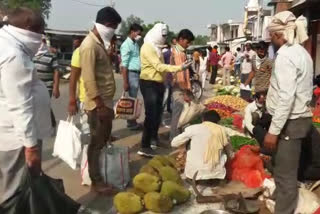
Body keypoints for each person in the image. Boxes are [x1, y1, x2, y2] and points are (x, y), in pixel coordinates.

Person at [0, 8, 51, 203]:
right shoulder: (14, 55)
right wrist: (31, 147)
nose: (41, 37)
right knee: (15, 190)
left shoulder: (7, 43)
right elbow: (20, 105)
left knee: (14, 184)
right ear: (30, 28)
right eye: (40, 31)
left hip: (12, 131)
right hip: (16, 136)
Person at [264, 11, 313, 214]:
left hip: (289, 123)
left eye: (271, 37)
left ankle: (283, 209)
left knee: (286, 176)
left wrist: (274, 131)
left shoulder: (285, 55)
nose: (270, 42)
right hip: (298, 120)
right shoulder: (301, 52)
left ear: (278, 35)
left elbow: (286, 97)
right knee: (284, 167)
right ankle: (281, 200)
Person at [80, 6, 122, 194]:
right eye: (113, 26)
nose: (113, 30)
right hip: (99, 104)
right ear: (106, 24)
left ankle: (102, 175)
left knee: (103, 139)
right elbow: (88, 79)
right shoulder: (89, 46)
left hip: (105, 102)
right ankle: (96, 181)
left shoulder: (98, 44)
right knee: (96, 143)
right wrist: (100, 105)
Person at [138, 23, 191, 157]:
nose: (164, 38)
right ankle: (144, 145)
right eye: (163, 36)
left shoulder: (157, 47)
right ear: (156, 34)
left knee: (157, 114)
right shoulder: (148, 47)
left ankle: (154, 139)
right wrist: (179, 68)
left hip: (158, 83)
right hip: (148, 83)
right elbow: (159, 66)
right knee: (150, 115)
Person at [171, 110, 232, 180]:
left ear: (203, 120)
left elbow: (174, 143)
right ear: (218, 122)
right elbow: (230, 154)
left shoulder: (193, 128)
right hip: (217, 173)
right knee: (223, 151)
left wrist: (183, 146)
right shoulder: (222, 130)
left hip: (194, 172)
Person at [169, 29, 195, 141]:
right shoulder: (178, 53)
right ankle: (174, 139)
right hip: (179, 87)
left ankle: (177, 136)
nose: (188, 45)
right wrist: (185, 92)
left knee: (180, 113)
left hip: (180, 86)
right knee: (178, 114)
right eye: (187, 42)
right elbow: (180, 75)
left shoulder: (180, 51)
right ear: (180, 39)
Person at [33, 37, 60, 133]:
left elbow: (56, 71)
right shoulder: (32, 54)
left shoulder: (51, 56)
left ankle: (51, 124)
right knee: (37, 105)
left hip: (47, 86)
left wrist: (56, 87)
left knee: (44, 104)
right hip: (34, 85)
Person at [120, 23, 143, 130]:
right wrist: (125, 82)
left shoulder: (135, 44)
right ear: (132, 32)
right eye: (138, 33)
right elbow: (124, 65)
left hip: (137, 73)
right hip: (131, 73)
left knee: (133, 99)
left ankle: (132, 121)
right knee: (131, 99)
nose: (139, 35)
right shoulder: (126, 45)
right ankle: (131, 123)